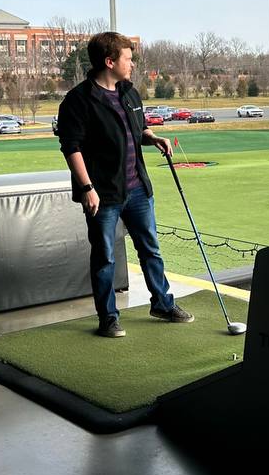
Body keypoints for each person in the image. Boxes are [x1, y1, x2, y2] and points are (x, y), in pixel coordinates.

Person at [56, 31, 192, 338]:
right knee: (105, 257)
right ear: (109, 61)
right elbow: (71, 147)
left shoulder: (129, 92)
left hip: (138, 190)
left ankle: (162, 303)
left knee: (151, 250)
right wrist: (87, 188)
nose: (132, 64)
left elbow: (137, 131)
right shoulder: (78, 101)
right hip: (102, 194)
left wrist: (154, 138)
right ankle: (108, 317)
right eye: (127, 59)